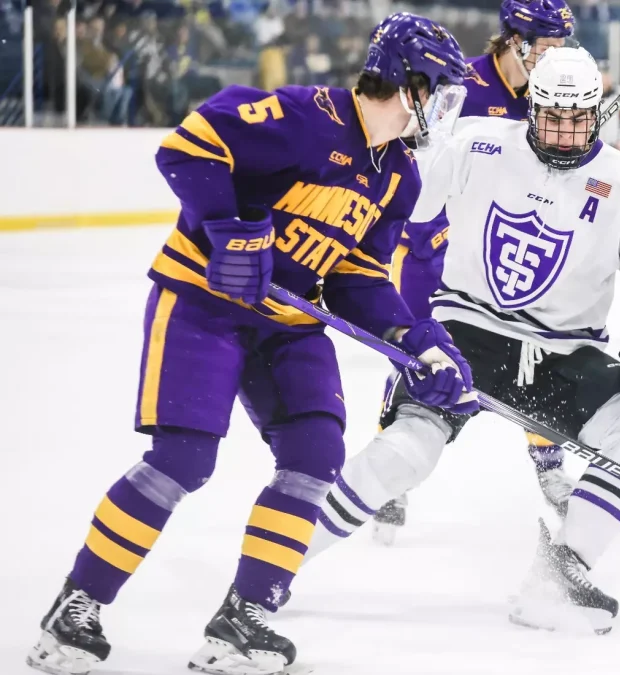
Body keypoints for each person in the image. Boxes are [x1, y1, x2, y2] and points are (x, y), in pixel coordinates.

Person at [26, 14, 475, 675]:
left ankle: (244, 619)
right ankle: (76, 606)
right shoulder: (302, 117)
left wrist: (417, 339)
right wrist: (228, 229)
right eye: (438, 90)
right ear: (407, 84)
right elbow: (188, 146)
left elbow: (357, 275)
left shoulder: (398, 176)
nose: (443, 108)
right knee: (183, 458)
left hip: (287, 321)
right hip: (205, 304)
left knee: (315, 452)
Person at [309, 46, 620, 636]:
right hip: (465, 335)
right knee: (407, 450)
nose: (565, 132)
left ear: (597, 112)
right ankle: (279, 556)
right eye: (552, 117)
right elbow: (397, 198)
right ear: (531, 107)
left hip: (565, 353)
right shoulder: (477, 143)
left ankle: (560, 575)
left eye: (578, 118)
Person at [372, 0, 578, 541]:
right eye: (548, 46)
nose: (556, 58)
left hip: (504, 252)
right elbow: (414, 161)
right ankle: (390, 474)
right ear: (514, 40)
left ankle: (549, 459)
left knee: (539, 347)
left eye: (563, 48)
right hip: (432, 249)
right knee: (415, 350)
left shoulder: (553, 92)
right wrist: (422, 233)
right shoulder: (455, 84)